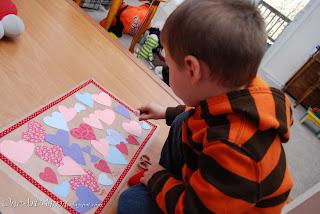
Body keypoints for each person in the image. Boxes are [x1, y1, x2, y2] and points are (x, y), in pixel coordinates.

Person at [117, 0, 293, 213]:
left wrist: (157, 179)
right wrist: (166, 113)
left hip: (209, 206)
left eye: (169, 64)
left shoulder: (235, 150)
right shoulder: (240, 90)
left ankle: (162, 179)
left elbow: (196, 210)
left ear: (192, 69)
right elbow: (208, 115)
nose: (167, 68)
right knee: (183, 121)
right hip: (213, 181)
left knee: (130, 203)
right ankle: (167, 177)